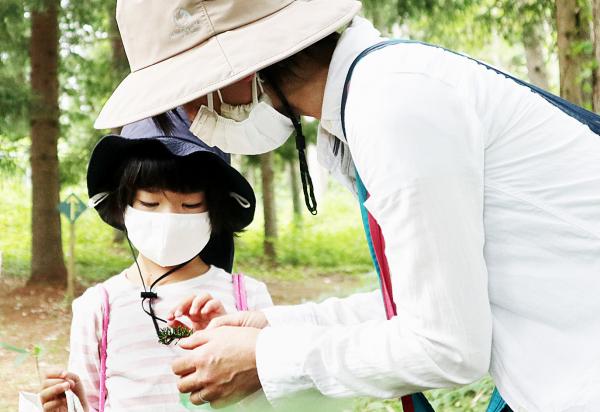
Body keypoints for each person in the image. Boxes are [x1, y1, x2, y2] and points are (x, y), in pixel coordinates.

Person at [93, 1, 600, 411]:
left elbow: (447, 347)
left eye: (183, 92)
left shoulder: (394, 109)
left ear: (237, 68)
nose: (187, 114)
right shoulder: (376, 96)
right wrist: (272, 327)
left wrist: (266, 359)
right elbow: (423, 303)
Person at [39, 114, 273, 411]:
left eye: (190, 205)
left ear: (214, 212)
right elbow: (89, 401)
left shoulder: (248, 299)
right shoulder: (98, 307)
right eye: (150, 204)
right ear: (124, 206)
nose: (169, 219)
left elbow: (280, 392)